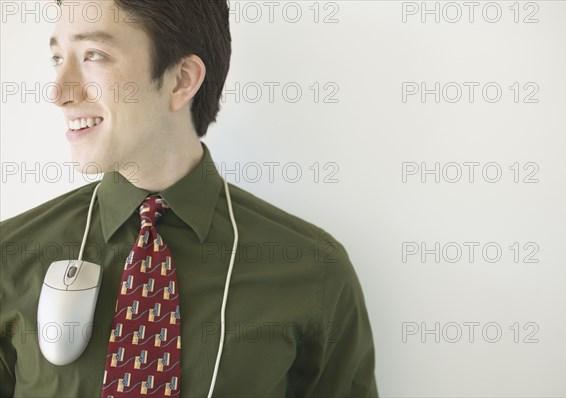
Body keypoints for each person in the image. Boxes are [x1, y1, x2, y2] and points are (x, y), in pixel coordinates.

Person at [0, 1, 379, 397]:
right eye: (58, 57)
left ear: (181, 79)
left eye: (94, 55)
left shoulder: (314, 270)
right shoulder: (10, 257)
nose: (59, 92)